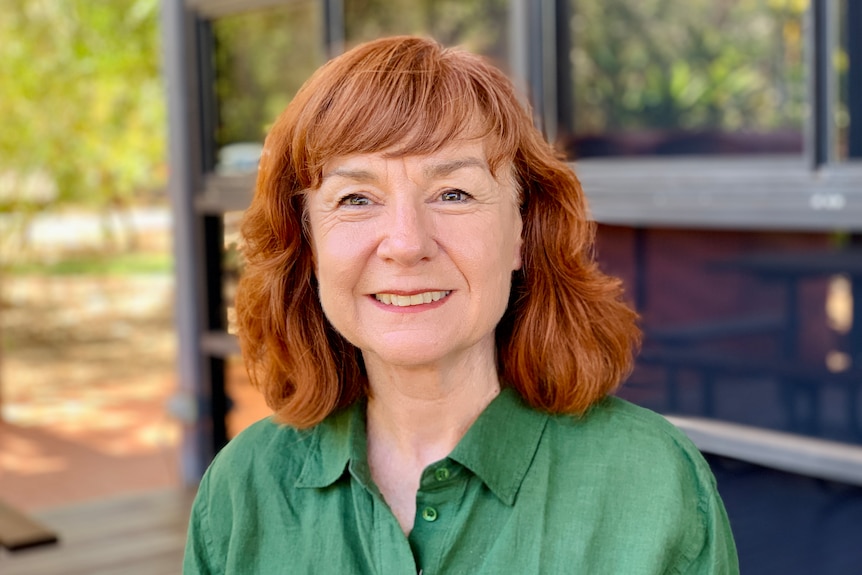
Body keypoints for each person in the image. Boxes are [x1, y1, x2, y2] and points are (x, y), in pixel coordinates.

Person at [183, 35, 738, 574]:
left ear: (523, 231)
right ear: (306, 244)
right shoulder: (241, 489)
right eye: (356, 198)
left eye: (454, 193)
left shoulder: (650, 483)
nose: (406, 243)